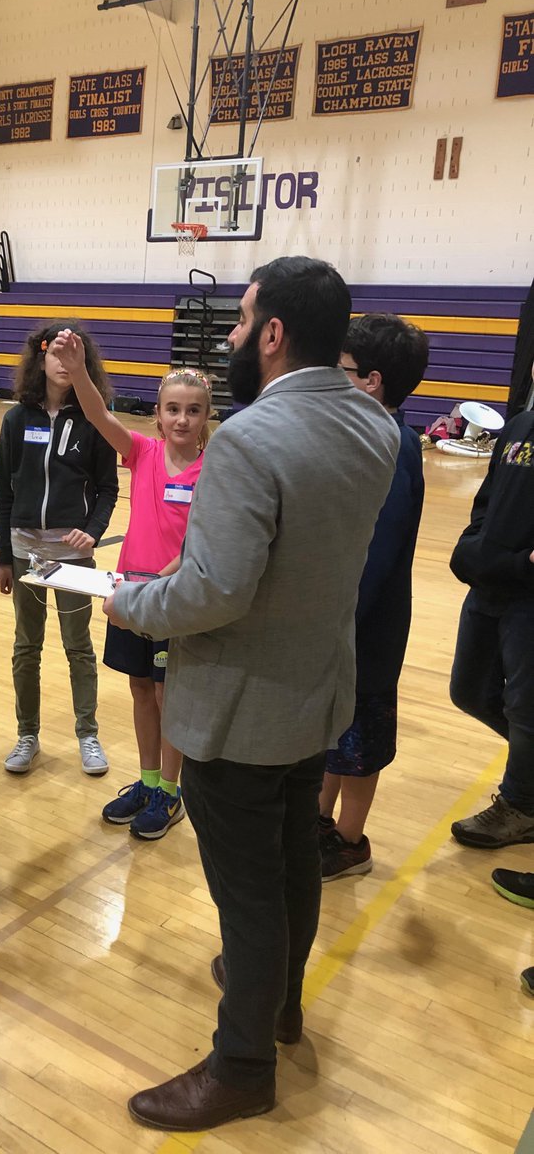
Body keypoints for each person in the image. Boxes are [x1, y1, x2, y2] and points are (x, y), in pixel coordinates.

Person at [102, 256, 399, 1130]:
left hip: (239, 709)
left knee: (248, 896)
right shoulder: (376, 422)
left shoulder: (249, 438)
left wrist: (129, 601)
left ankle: (241, 1068)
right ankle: (280, 1003)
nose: (231, 337)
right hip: (316, 691)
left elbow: (216, 592)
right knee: (293, 858)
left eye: (238, 322)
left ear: (272, 333)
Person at [56, 340, 213, 838]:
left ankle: (170, 790)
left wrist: (164, 580)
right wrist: (79, 372)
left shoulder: (213, 470)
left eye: (193, 410)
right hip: (130, 595)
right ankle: (147, 782)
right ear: (159, 416)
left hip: (172, 601)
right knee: (141, 688)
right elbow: (98, 414)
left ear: (206, 416)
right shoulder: (143, 452)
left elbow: (203, 543)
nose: (182, 419)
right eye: (173, 409)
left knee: (169, 696)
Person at [318, 314, 429, 880]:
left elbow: (376, 552)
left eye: (343, 371)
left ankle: (349, 841)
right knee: (334, 732)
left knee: (361, 740)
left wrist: (338, 619)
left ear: (372, 382)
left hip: (367, 627)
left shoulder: (395, 446)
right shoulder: (365, 435)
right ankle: (320, 822)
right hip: (344, 620)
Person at [0, 321, 118, 776]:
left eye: (72, 356)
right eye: (56, 355)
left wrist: (93, 531)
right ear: (40, 359)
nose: (63, 364)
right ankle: (27, 734)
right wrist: (4, 554)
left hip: (72, 556)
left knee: (78, 646)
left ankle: (88, 734)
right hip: (25, 551)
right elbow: (4, 491)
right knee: (27, 646)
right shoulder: (15, 420)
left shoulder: (94, 419)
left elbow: (108, 487)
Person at [448, 358, 534, 849]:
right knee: (470, 691)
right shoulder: (519, 427)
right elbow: (486, 502)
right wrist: (473, 545)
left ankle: (521, 804)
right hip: (489, 584)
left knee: (526, 709)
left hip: (529, 596)